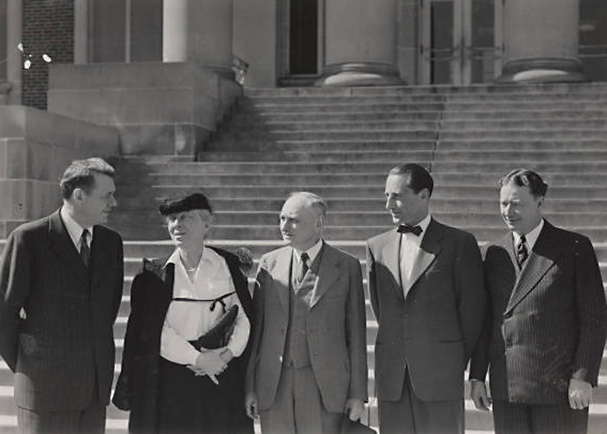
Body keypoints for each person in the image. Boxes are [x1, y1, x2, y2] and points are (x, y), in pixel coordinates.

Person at [469, 168, 607, 434]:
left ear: (540, 201)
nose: (508, 211)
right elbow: (485, 322)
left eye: (517, 203)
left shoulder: (574, 246)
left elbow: (594, 318)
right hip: (507, 385)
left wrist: (582, 377)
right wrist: (477, 376)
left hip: (559, 386)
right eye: (503, 203)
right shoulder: (492, 253)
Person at [112, 191, 254, 434]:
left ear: (207, 224)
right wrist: (198, 359)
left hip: (221, 373)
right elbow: (154, 331)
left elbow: (243, 318)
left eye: (185, 217)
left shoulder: (229, 266)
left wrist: (225, 356)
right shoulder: (153, 274)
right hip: (171, 379)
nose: (177, 225)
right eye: (172, 219)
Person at [0, 157, 124, 434]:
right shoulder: (29, 239)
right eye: (107, 196)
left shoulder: (111, 243)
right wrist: (31, 365)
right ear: (79, 196)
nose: (113, 204)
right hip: (45, 393)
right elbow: (3, 315)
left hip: (94, 392)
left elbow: (107, 311)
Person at [366, 163, 485, 434]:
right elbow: (382, 310)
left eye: (396, 196)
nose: (389, 205)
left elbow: (472, 313)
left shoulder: (459, 243)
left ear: (424, 195)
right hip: (392, 377)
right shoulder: (376, 247)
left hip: (440, 375)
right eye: (386, 196)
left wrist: (449, 360)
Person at [244, 192, 368, 434]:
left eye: (294, 220)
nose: (284, 226)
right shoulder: (269, 264)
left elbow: (356, 335)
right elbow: (257, 331)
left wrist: (357, 394)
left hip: (326, 386)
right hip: (274, 383)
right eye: (281, 219)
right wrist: (250, 386)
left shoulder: (346, 266)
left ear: (319, 223)